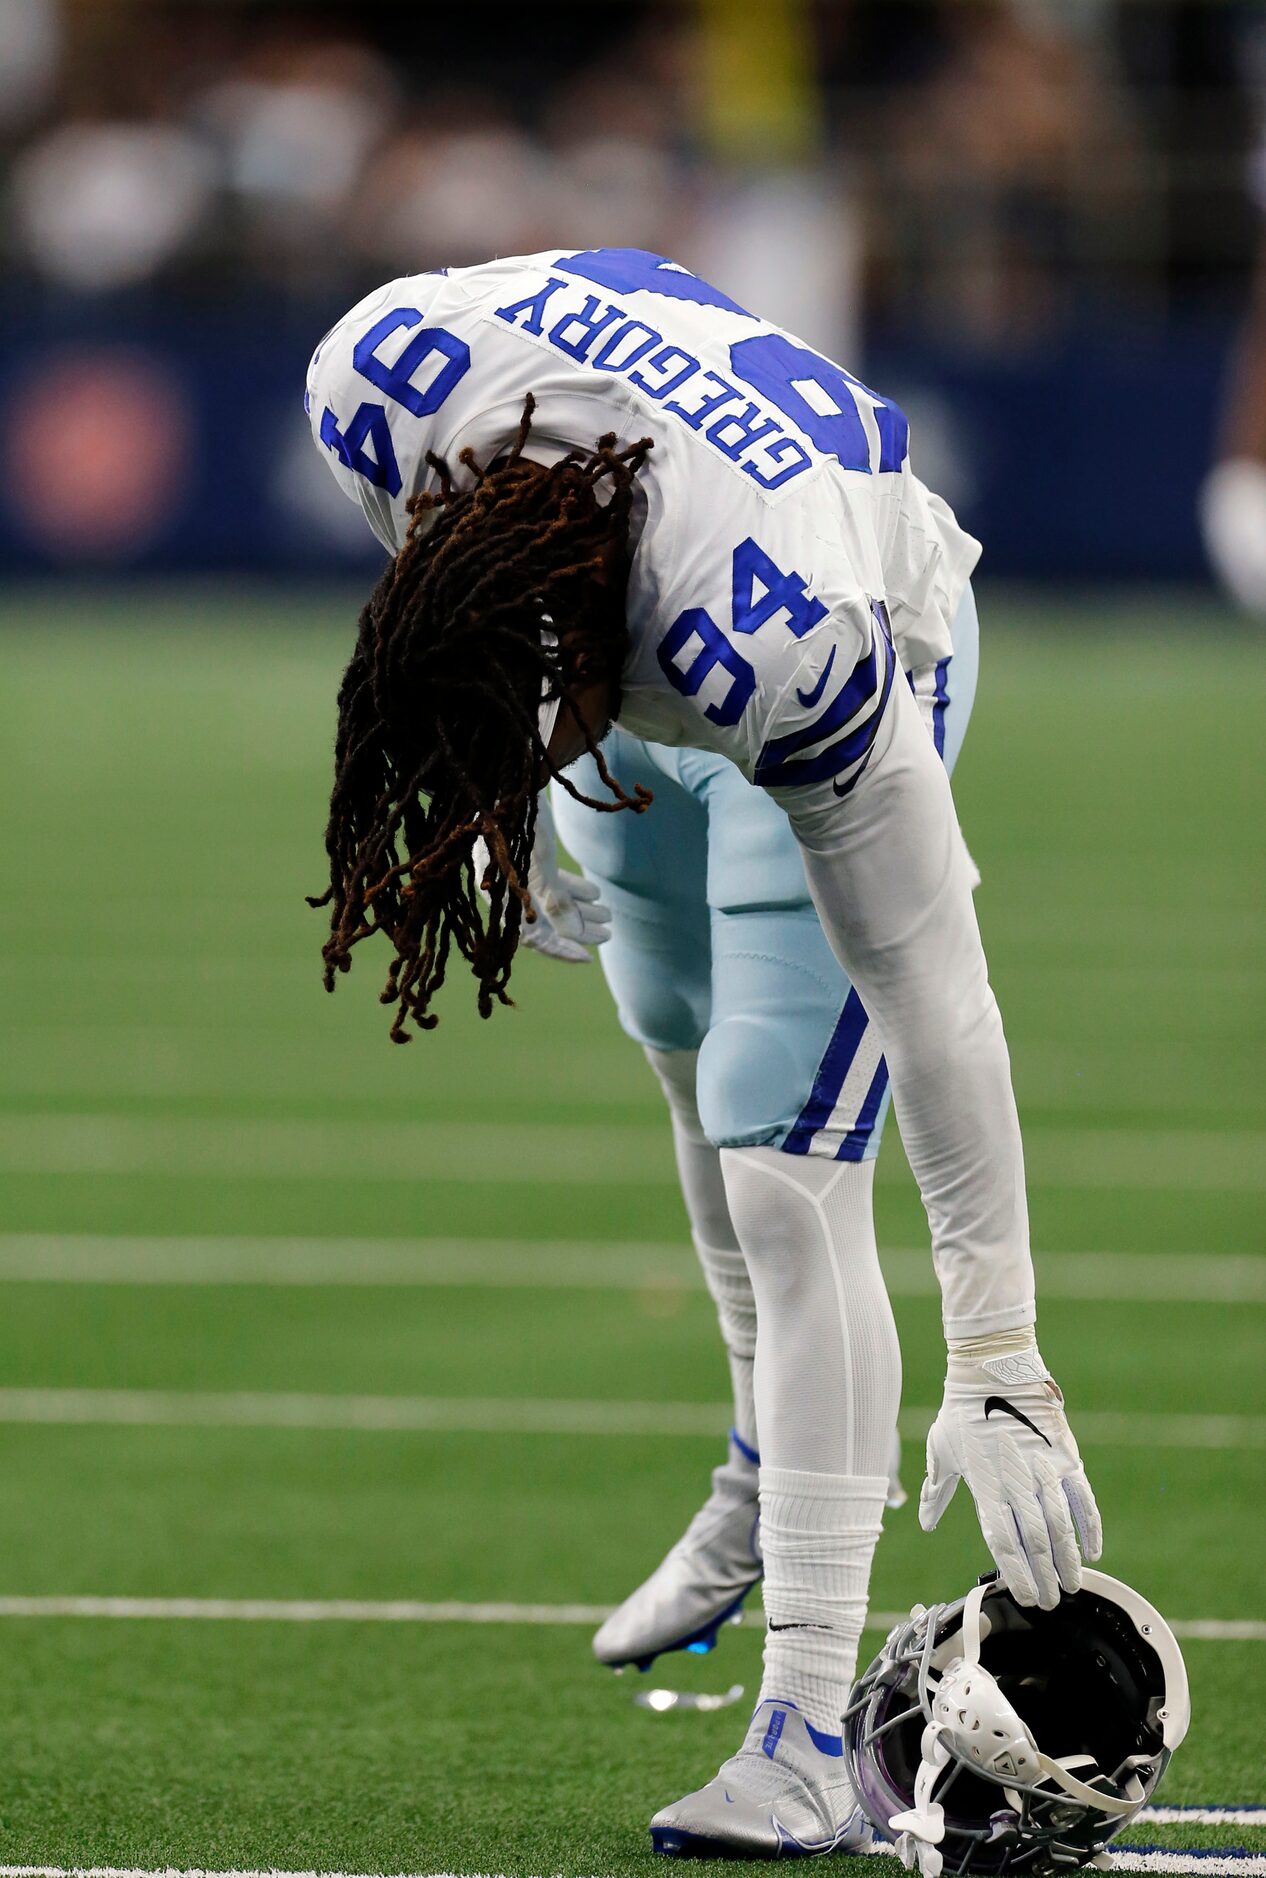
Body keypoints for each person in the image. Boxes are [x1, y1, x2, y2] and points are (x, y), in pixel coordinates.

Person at [304, 246, 1101, 1859]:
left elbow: (937, 995)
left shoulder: (785, 644)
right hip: (633, 602)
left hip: (848, 629)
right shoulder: (377, 377)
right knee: (671, 1028)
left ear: (604, 647)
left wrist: (1001, 1353)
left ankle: (805, 1728)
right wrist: (486, 783)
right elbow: (433, 583)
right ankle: (761, 1455)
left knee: (782, 1158)